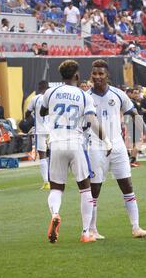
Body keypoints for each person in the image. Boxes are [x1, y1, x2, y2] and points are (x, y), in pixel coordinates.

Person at [39, 59, 112, 243]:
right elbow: (93, 121)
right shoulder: (83, 95)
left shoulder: (51, 92)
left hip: (56, 143)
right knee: (85, 188)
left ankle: (55, 214)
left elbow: (42, 112)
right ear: (77, 75)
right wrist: (107, 141)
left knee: (56, 188)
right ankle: (86, 233)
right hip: (76, 143)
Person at [88, 59, 146, 239]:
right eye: (95, 73)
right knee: (95, 189)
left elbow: (133, 113)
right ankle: (92, 230)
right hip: (95, 147)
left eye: (101, 74)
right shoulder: (86, 97)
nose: (98, 77)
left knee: (127, 185)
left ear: (107, 75)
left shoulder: (118, 94)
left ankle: (136, 227)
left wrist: (145, 132)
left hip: (117, 146)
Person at [25, 80, 50, 190]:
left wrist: (33, 120)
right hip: (53, 131)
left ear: (39, 88)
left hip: (40, 130)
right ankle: (54, 180)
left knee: (43, 156)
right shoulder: (52, 97)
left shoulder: (35, 99)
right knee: (53, 155)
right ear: (48, 87)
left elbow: (27, 113)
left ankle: (46, 182)